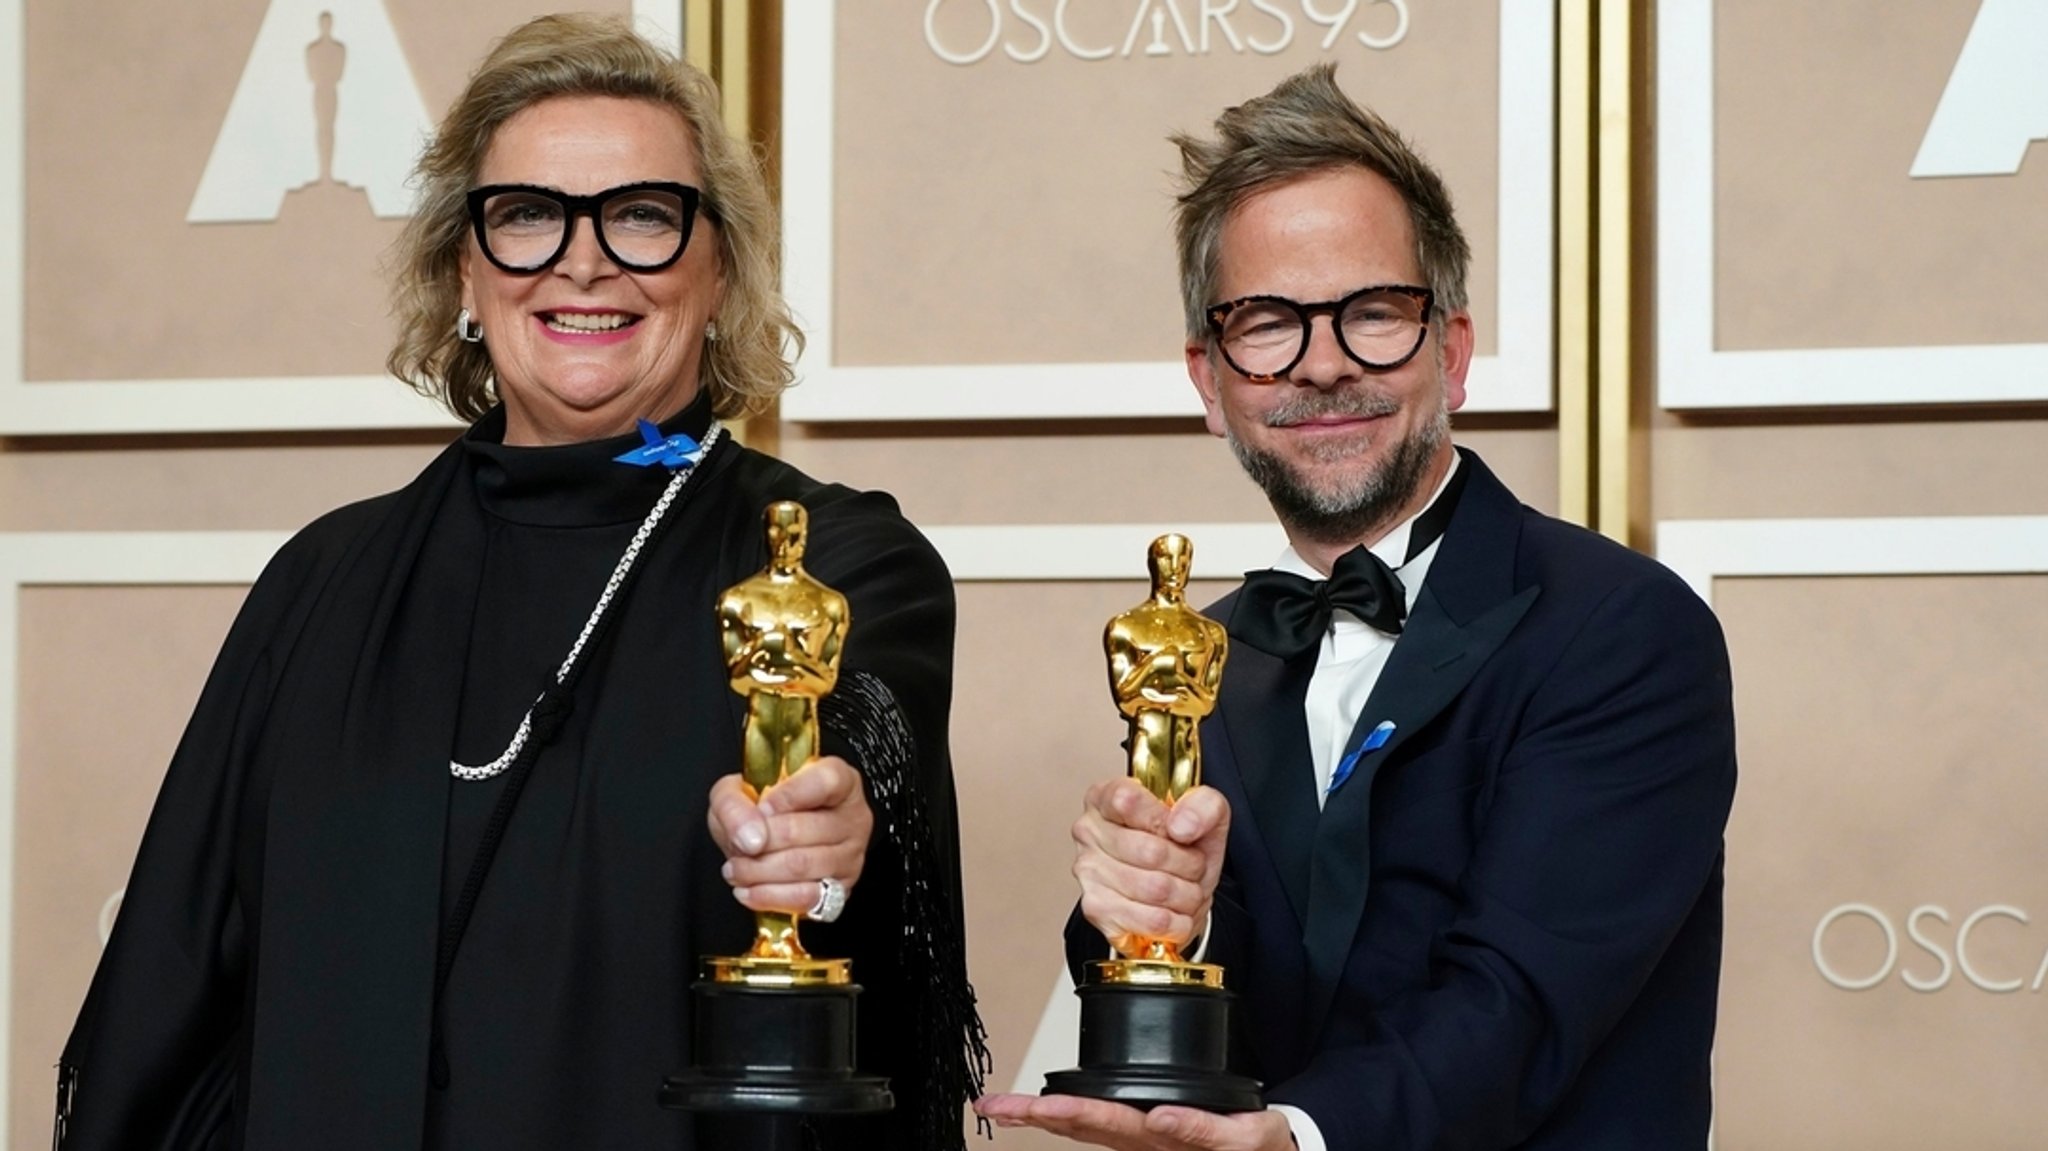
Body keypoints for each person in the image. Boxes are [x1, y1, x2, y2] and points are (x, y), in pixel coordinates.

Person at [56, 15, 984, 1150]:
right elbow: (176, 987)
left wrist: (832, 837)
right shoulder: (322, 579)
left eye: (643, 215)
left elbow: (861, 770)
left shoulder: (832, 558)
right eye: (528, 215)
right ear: (464, 266)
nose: (581, 259)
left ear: (720, 266)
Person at [978, 65, 1736, 1150]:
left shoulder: (1620, 629)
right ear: (1208, 377)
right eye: (1267, 323)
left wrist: (1296, 1131)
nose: (1322, 364)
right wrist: (1161, 914)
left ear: (1453, 350)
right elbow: (1217, 997)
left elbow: (1520, 999)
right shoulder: (1214, 647)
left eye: (1371, 314)